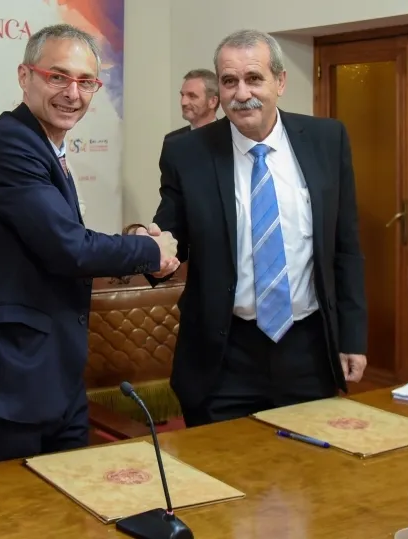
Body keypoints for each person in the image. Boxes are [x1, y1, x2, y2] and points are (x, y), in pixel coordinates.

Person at [0, 23, 179, 469]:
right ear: (24, 76)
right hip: (4, 385)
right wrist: (151, 250)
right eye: (58, 77)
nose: (74, 93)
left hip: (49, 376)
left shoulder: (43, 146)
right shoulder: (9, 145)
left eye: (86, 82)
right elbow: (70, 249)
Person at [138, 29, 368, 428]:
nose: (242, 93)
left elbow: (345, 247)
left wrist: (352, 337)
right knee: (224, 480)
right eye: (229, 81)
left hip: (308, 350)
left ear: (280, 81)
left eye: (254, 78)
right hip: (224, 356)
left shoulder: (326, 139)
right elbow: (173, 239)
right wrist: (151, 250)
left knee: (309, 477)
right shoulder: (187, 153)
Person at [165, 68, 219, 140]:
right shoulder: (172, 140)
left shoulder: (230, 137)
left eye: (192, 96)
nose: (183, 102)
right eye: (182, 95)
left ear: (212, 101)